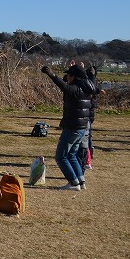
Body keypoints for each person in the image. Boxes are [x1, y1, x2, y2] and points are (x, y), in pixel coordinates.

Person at [41, 63, 92, 191]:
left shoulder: (75, 89)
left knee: (61, 157)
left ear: (73, 76)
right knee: (72, 155)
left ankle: (73, 183)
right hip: (81, 128)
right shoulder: (86, 89)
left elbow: (63, 86)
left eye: (68, 75)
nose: (67, 77)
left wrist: (51, 75)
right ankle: (80, 181)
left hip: (72, 127)